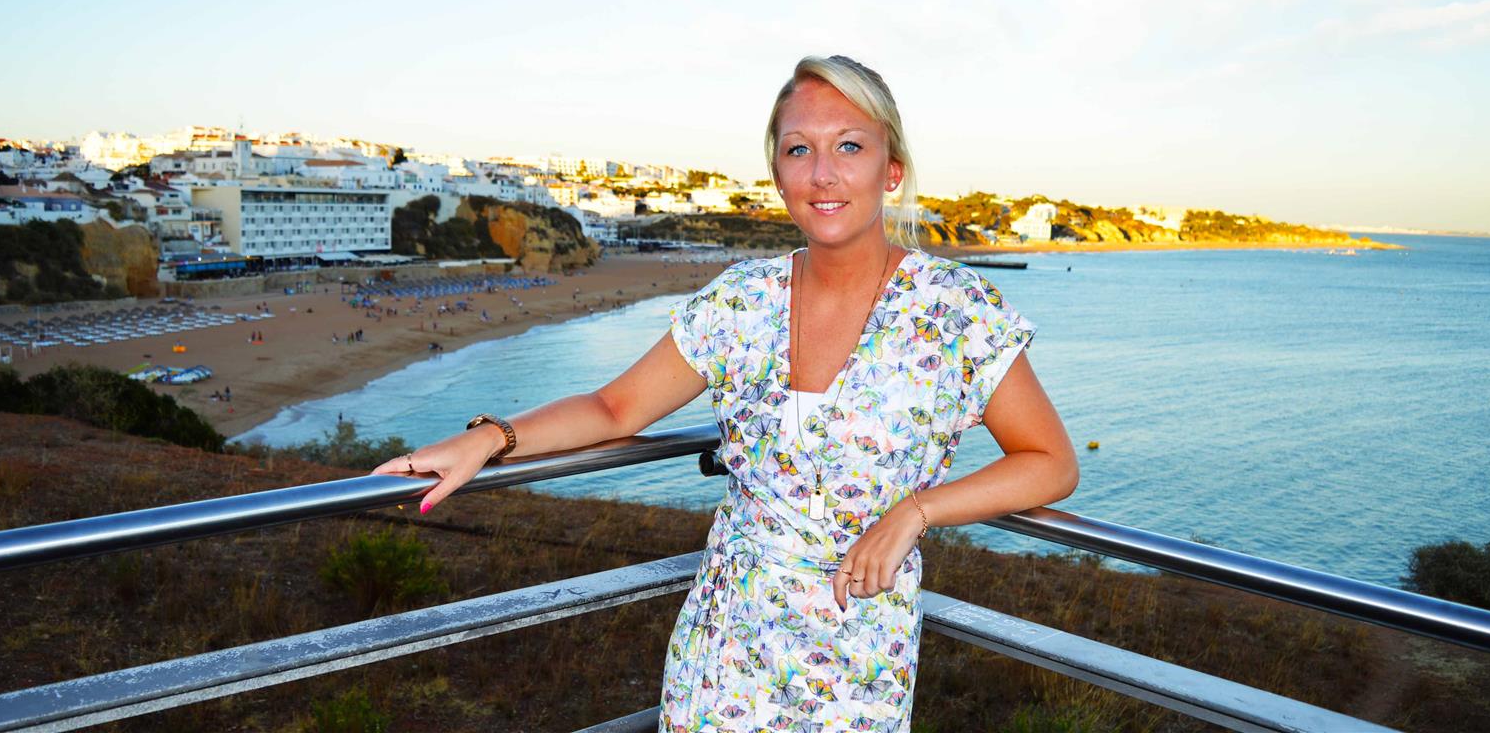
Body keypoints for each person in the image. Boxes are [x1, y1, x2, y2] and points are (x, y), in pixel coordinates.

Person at [372, 54, 1077, 731]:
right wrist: (491, 438)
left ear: (891, 169)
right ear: (778, 173)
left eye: (849, 146)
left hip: (859, 660)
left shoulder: (954, 310)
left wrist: (917, 513)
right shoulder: (741, 301)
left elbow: (1049, 462)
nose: (823, 173)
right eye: (798, 150)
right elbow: (616, 408)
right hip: (724, 651)